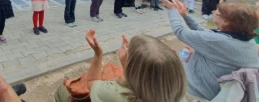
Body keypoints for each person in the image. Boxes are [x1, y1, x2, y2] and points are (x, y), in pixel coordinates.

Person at [162, 0, 259, 101]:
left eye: (216, 13)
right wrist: (185, 16)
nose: (213, 12)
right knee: (183, 55)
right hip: (214, 88)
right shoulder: (245, 39)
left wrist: (172, 10)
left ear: (226, 21)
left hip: (197, 92)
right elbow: (207, 34)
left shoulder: (221, 41)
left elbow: (180, 32)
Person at [54, 30, 187, 102]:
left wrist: (98, 54)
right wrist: (127, 62)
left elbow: (92, 82)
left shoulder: (116, 94)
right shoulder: (178, 94)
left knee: (63, 91)